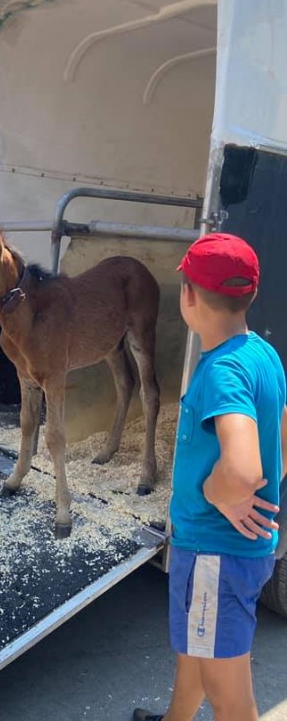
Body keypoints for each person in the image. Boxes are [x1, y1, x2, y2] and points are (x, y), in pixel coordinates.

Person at [134, 233, 286, 721]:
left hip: (213, 555)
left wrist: (222, 491)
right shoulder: (263, 354)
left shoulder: (223, 371)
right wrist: (260, 487)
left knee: (231, 700)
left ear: (189, 296)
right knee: (197, 652)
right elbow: (282, 436)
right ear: (251, 294)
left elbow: (242, 468)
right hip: (234, 553)